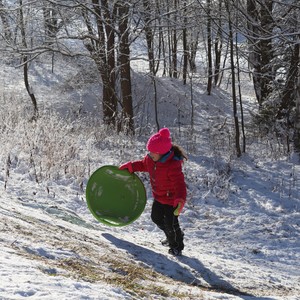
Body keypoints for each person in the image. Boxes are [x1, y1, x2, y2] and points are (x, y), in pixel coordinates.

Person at [119, 127, 187, 256]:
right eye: (149, 152)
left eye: (152, 152)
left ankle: (176, 245)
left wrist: (180, 200)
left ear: (162, 152)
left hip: (172, 201)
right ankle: (170, 235)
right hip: (159, 198)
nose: (150, 155)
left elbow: (180, 185)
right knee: (156, 218)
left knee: (171, 224)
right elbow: (143, 165)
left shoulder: (172, 165)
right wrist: (132, 166)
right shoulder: (151, 159)